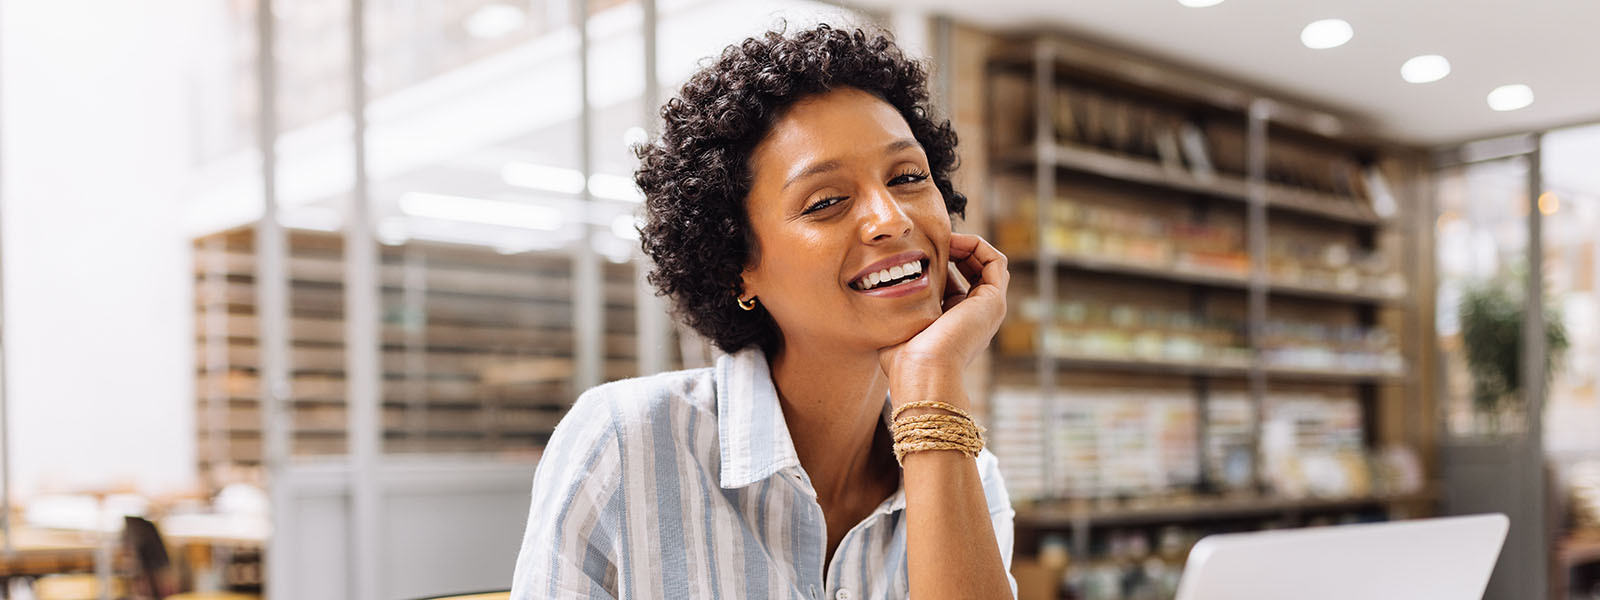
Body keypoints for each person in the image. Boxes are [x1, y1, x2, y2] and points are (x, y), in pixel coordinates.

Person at [511, 23, 1015, 599]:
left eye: (907, 177)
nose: (891, 218)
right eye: (826, 202)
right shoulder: (626, 445)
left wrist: (931, 383)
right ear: (738, 264)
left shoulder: (968, 477)